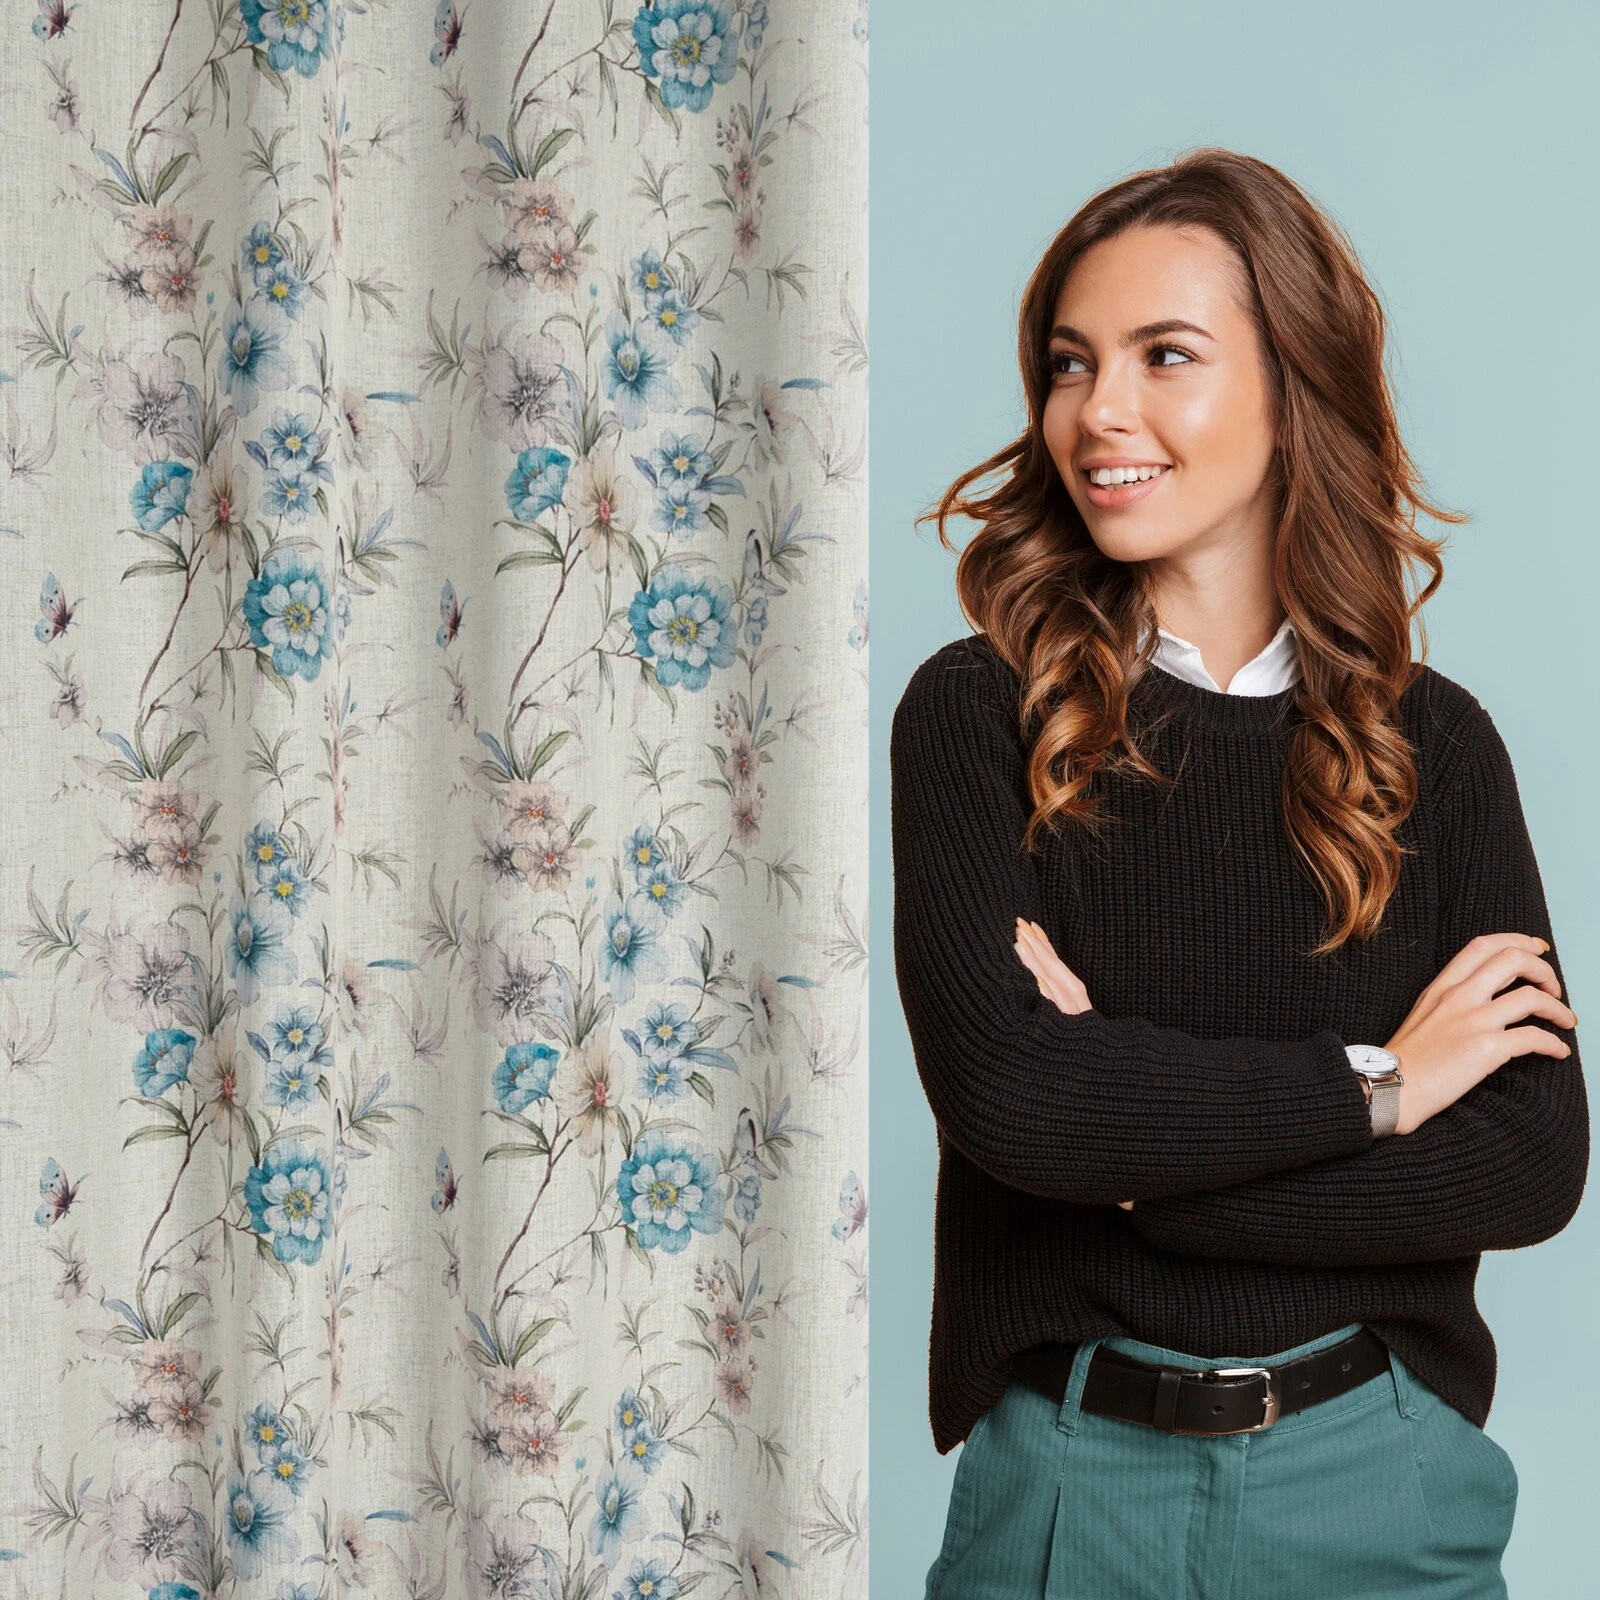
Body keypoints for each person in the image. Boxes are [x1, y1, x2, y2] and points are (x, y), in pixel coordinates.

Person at [889, 147, 1587, 1599]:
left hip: (1381, 1486)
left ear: (1293, 385)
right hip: (1071, 1491)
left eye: (1166, 355)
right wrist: (1379, 1088)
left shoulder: (1440, 749)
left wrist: (1136, 1172)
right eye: (1071, 362)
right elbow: (1018, 1104)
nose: (1100, 411)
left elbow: (1527, 1163)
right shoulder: (976, 713)